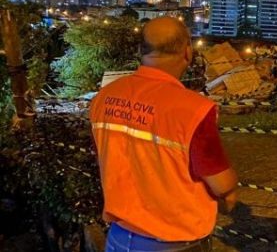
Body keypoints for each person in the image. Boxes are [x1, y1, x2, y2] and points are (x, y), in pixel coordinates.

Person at [90, 17, 238, 251]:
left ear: (141, 51)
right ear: (187, 52)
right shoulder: (193, 109)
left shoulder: (105, 97)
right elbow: (221, 183)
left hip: (119, 238)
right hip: (174, 243)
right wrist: (230, 192)